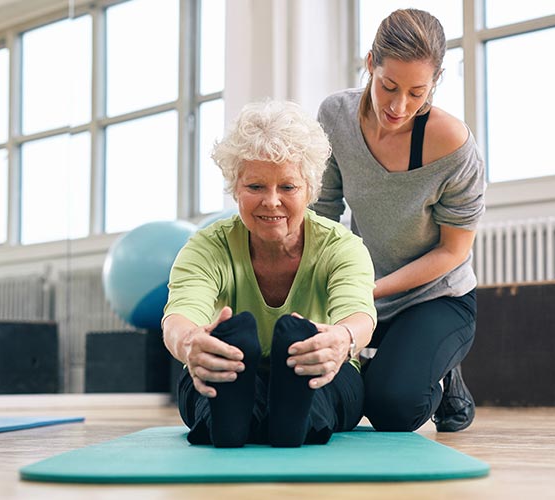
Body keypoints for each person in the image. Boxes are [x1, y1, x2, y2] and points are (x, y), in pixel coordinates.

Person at [162, 100, 377, 448]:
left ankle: (279, 416)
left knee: (315, 391)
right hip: (229, 368)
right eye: (256, 187)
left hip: (319, 366)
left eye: (288, 188)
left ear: (310, 190)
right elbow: (178, 317)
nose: (272, 201)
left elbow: (359, 315)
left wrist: (341, 340)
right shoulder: (206, 246)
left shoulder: (341, 246)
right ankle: (248, 417)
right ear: (235, 189)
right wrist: (191, 345)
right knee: (213, 383)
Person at [312, 8, 486, 433]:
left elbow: (453, 250)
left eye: (417, 92)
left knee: (393, 409)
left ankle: (442, 372)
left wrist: (369, 290)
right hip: (363, 294)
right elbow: (323, 212)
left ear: (435, 83)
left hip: (436, 298)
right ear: (371, 63)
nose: (399, 105)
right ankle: (398, 360)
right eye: (388, 86)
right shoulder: (335, 116)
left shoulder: (454, 145)